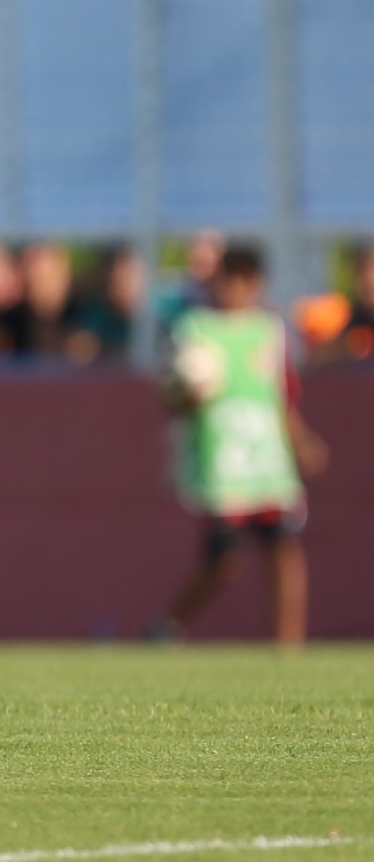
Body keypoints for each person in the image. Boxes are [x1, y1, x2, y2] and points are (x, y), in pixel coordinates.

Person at [154, 245, 328, 649]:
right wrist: (189, 396)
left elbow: (281, 397)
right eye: (227, 281)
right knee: (224, 560)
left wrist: (302, 441)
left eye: (243, 282)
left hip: (267, 462)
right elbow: (171, 399)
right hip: (222, 462)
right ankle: (166, 628)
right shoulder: (195, 329)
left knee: (285, 549)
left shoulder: (269, 331)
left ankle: (289, 648)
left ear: (256, 284)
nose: (234, 290)